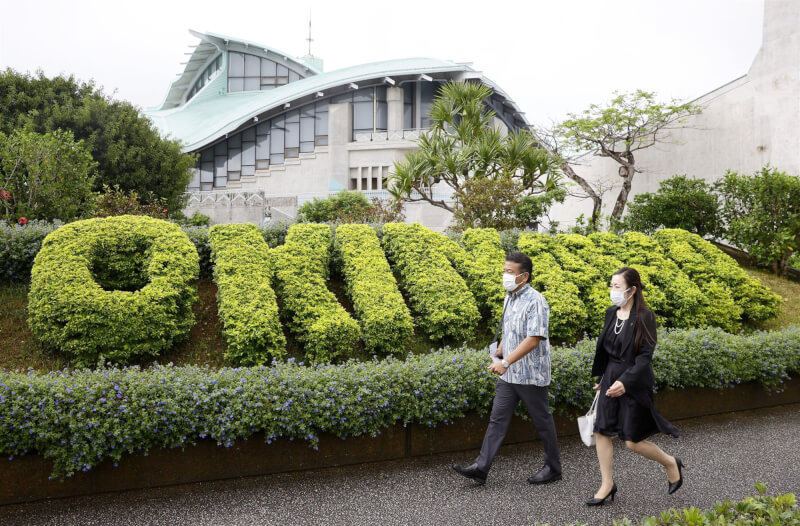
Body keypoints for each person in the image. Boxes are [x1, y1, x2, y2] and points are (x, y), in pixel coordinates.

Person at [453, 251, 562, 486]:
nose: (505, 276)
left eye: (509, 272)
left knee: (542, 421)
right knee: (497, 419)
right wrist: (501, 350)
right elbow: (511, 330)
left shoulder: (536, 300)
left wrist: (505, 362)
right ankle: (481, 468)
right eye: (504, 271)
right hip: (510, 372)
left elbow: (534, 338)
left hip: (530, 373)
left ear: (524, 276)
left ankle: (553, 468)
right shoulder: (509, 297)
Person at [587, 267, 683, 506]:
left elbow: (644, 357)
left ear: (633, 290)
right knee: (602, 430)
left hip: (634, 381)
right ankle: (607, 484)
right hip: (611, 377)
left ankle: (671, 462)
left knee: (632, 441)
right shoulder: (611, 313)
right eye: (611, 285)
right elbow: (606, 349)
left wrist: (625, 382)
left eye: (617, 287)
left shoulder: (644, 316)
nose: (612, 291)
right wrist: (603, 378)